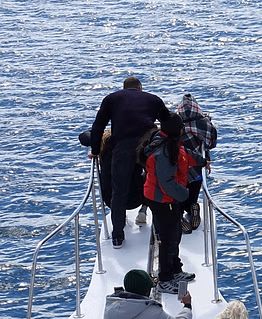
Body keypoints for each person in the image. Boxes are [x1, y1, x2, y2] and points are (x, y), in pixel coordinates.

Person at [89, 76, 171, 248]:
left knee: (119, 191)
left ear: (123, 88)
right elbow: (168, 124)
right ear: (140, 88)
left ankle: (118, 236)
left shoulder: (111, 99)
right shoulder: (153, 99)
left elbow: (98, 127)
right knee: (154, 186)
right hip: (148, 147)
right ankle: (158, 231)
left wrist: (96, 150)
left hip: (123, 147)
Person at [139, 114, 201, 295]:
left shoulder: (167, 143)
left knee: (175, 234)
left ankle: (175, 269)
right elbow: (167, 181)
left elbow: (185, 156)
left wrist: (201, 161)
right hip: (164, 200)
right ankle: (165, 279)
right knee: (168, 239)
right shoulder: (165, 152)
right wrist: (185, 195)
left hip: (162, 198)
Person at [175, 93, 217, 233]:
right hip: (197, 165)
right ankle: (193, 206)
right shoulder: (203, 122)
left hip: (179, 166)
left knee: (179, 193)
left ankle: (180, 216)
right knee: (193, 192)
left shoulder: (175, 121)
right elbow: (211, 142)